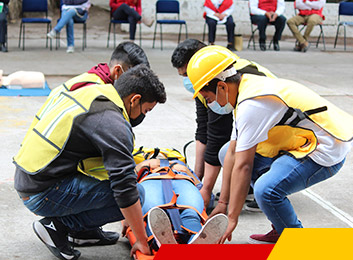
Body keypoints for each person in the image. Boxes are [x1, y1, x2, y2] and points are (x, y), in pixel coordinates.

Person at [187, 45, 353, 244]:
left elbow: (244, 165)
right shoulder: (244, 87)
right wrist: (223, 204)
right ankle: (280, 225)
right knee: (225, 153)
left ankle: (298, 241)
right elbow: (233, 151)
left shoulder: (252, 103)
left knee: (265, 190)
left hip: (324, 149)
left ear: (222, 86)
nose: (210, 104)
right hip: (300, 141)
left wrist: (232, 217)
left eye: (208, 98)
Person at [13, 64, 167, 260]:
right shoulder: (112, 122)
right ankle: (58, 227)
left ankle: (82, 232)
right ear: (135, 99)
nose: (144, 115)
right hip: (42, 191)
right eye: (146, 110)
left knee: (124, 191)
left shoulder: (94, 91)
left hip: (32, 176)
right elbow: (125, 188)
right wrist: (142, 240)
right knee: (138, 194)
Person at [171, 39, 276, 209]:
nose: (186, 80)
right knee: (228, 150)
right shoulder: (205, 80)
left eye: (186, 75)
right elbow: (203, 130)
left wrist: (206, 191)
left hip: (280, 138)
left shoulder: (223, 79)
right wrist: (197, 179)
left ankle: (268, 188)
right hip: (258, 129)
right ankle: (248, 185)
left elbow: (217, 136)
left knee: (227, 152)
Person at [125, 158, 228, 247]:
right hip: (154, 178)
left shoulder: (180, 165)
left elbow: (201, 188)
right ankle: (167, 240)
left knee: (190, 213)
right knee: (155, 213)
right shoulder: (146, 163)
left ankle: (191, 240)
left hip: (181, 179)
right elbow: (127, 180)